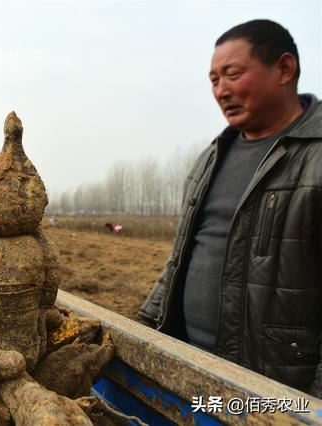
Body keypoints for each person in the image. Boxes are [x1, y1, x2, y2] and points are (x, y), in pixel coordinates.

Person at [138, 19, 322, 396]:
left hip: (271, 392)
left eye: (232, 75)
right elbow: (179, 260)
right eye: (213, 81)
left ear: (284, 69)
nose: (221, 91)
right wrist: (141, 328)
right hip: (190, 370)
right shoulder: (213, 156)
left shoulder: (315, 157)